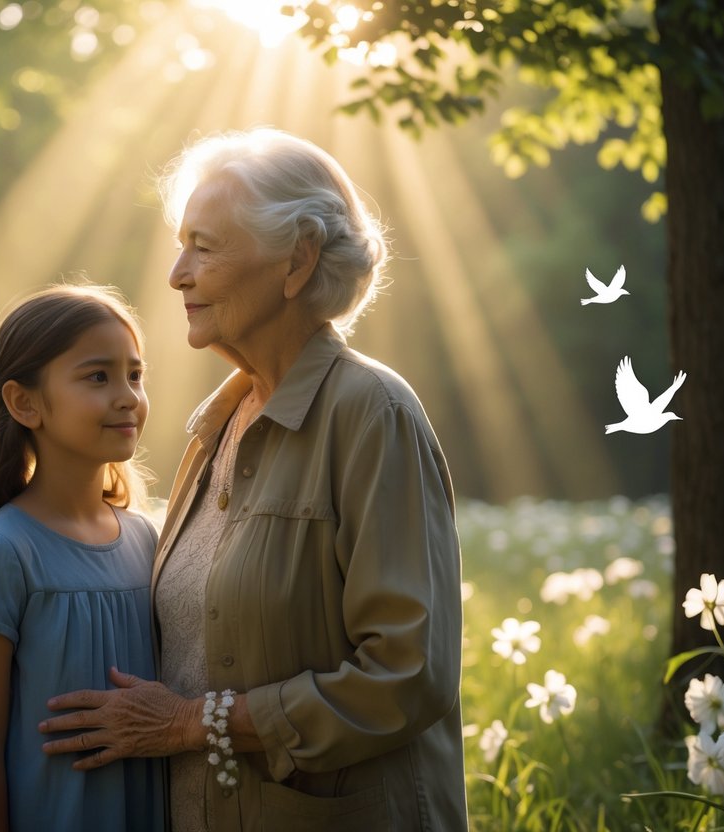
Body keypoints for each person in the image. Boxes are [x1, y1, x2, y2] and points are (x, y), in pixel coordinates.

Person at [38, 128, 468, 830]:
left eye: (204, 247)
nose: (177, 273)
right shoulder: (215, 426)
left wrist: (189, 723)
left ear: (295, 261)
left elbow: (407, 674)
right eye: (182, 246)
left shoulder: (371, 413)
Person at [0, 284, 164, 832]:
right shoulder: (4, 551)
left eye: (135, 375)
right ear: (25, 403)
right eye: (98, 377)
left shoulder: (148, 541)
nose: (127, 396)